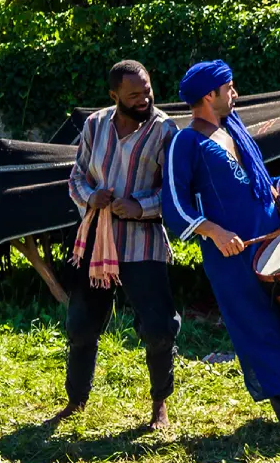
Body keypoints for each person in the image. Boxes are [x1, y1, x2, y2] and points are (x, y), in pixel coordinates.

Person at [161, 60, 280, 449]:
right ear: (209, 96)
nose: (235, 94)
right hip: (233, 259)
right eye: (229, 88)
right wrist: (215, 232)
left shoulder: (232, 131)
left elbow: (255, 189)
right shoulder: (187, 143)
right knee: (261, 329)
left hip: (271, 246)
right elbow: (174, 206)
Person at [47, 60, 181, 431]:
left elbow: (174, 192)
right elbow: (76, 178)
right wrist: (92, 197)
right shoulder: (94, 125)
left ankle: (160, 406)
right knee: (81, 325)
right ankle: (76, 400)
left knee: (157, 327)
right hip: (95, 241)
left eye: (148, 90)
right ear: (114, 96)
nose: (144, 99)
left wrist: (140, 206)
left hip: (143, 242)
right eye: (134, 95)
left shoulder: (166, 130)